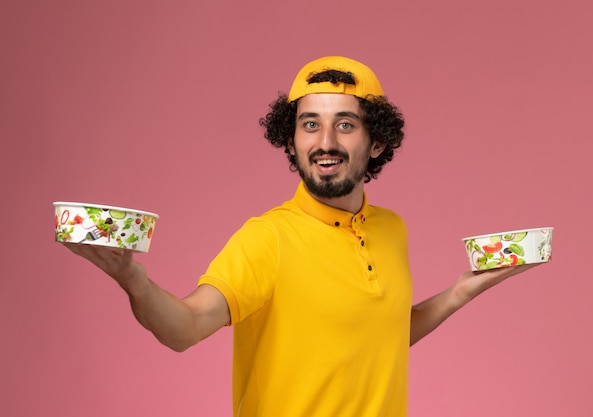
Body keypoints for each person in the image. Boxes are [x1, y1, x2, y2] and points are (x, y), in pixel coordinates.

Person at [64, 56, 541, 417]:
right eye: (309, 124)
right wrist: (135, 281)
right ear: (291, 140)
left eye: (345, 125)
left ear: (376, 143)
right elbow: (184, 328)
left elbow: (381, 335)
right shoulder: (267, 238)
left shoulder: (390, 229)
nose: (325, 141)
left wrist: (462, 290)